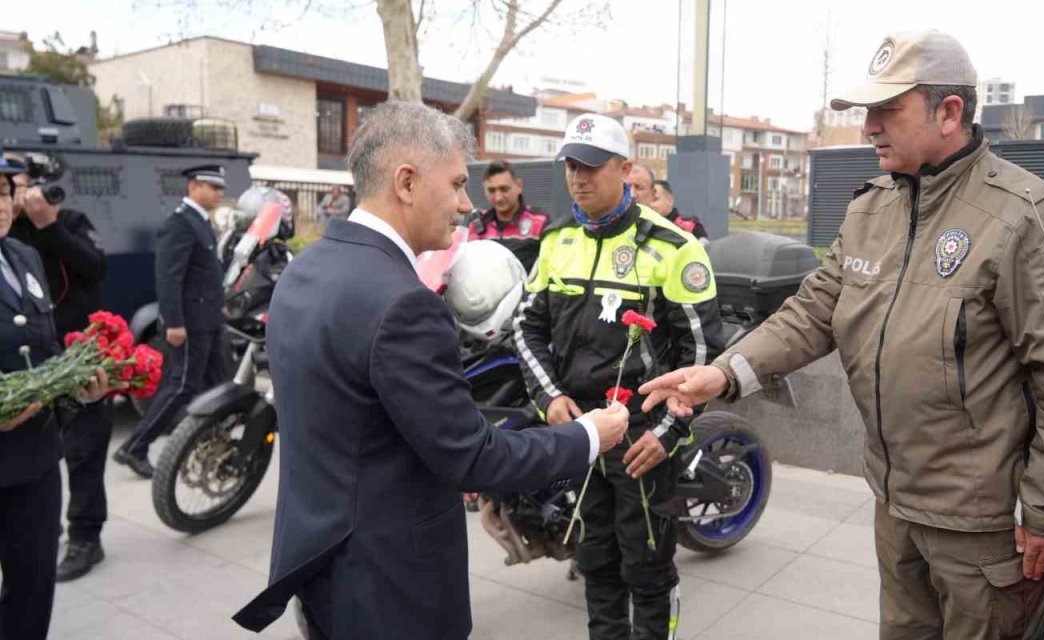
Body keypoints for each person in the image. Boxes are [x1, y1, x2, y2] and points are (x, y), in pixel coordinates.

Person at [640, 30, 1044, 640]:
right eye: (867, 111)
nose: (868, 127)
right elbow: (813, 312)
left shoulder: (1026, 216)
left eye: (886, 110)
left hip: (985, 530)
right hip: (895, 506)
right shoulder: (873, 208)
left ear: (950, 112)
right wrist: (725, 373)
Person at [232, 102, 630, 640]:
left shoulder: (307, 269)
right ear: (407, 182)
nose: (468, 204)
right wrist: (589, 435)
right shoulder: (403, 304)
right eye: (459, 183)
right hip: (392, 585)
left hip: (320, 563)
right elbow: (472, 457)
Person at [515, 113, 724, 639]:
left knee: (648, 568)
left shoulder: (676, 247)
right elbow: (526, 329)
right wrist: (550, 398)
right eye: (570, 166)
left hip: (642, 439)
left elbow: (703, 359)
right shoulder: (557, 239)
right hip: (581, 432)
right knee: (595, 562)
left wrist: (668, 433)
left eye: (590, 166)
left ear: (625, 168)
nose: (577, 178)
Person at [0, 151, 114, 640]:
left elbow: (41, 351)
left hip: (34, 464)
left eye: (4, 192)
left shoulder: (22, 256)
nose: (2, 204)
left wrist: (77, 390)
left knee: (32, 588)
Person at [114, 164, 231, 478]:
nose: (219, 193)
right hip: (190, 324)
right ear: (193, 187)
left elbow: (205, 275)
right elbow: (168, 278)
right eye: (212, 186)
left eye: (220, 187)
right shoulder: (180, 223)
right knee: (182, 386)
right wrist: (174, 322)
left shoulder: (201, 223)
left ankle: (215, 445)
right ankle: (134, 447)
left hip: (209, 321)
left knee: (220, 386)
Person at [467, 160, 550, 273]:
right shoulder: (475, 225)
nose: (498, 198)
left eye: (504, 189)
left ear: (519, 186)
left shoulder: (540, 222)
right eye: (491, 190)